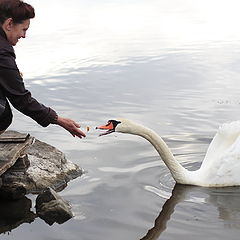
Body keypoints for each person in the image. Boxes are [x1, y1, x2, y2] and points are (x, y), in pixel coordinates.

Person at [0, 0, 86, 138]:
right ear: (9, 24)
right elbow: (20, 98)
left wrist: (9, 76)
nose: (24, 35)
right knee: (3, 114)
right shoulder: (2, 51)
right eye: (24, 29)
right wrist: (57, 120)